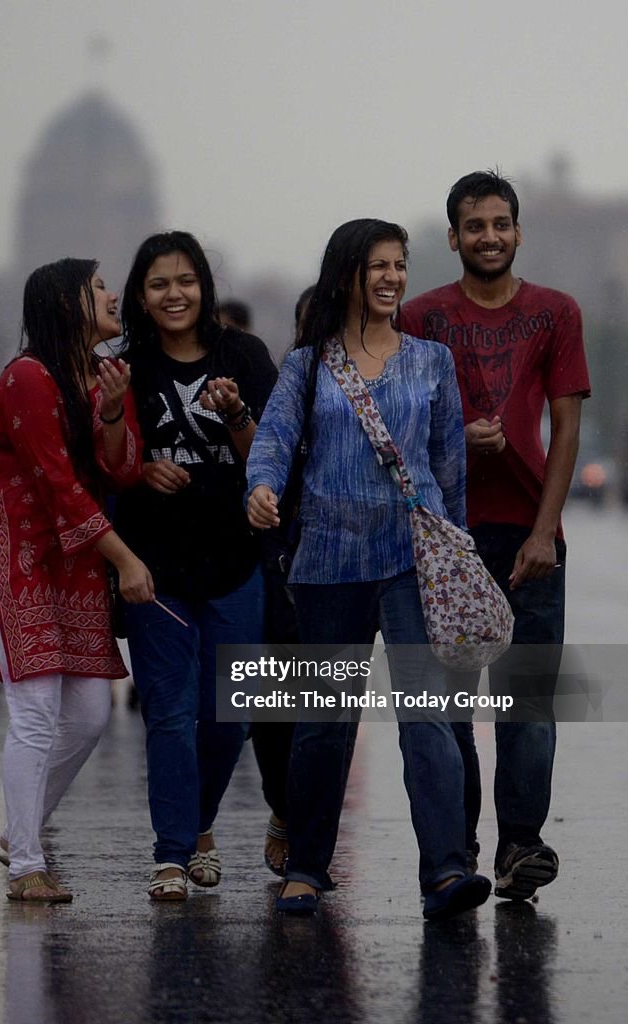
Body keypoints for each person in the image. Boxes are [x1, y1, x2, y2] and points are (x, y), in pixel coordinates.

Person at [247, 218, 491, 918]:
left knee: (427, 717)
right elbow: (273, 440)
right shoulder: (307, 366)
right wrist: (260, 488)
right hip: (326, 561)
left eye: (398, 265)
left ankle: (445, 871)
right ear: (346, 275)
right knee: (324, 722)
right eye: (376, 266)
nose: (390, 278)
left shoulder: (430, 361)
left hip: (413, 563)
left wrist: (457, 552)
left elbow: (448, 467)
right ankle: (307, 867)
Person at [400, 170, 590, 900]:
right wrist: (455, 441)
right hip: (447, 538)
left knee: (528, 704)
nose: (488, 236)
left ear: (517, 232)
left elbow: (565, 424)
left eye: (499, 224)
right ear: (451, 237)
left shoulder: (556, 312)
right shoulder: (420, 318)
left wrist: (546, 531)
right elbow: (402, 423)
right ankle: (458, 848)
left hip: (528, 532)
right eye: (473, 225)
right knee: (448, 707)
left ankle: (520, 845)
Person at [0, 259, 155, 902]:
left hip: (74, 560)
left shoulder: (94, 380)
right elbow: (59, 486)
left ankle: (23, 829)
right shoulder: (26, 378)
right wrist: (126, 559)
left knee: (90, 714)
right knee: (36, 712)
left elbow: (123, 471)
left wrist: (117, 408)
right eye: (98, 287)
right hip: (21, 555)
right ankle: (26, 867)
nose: (113, 294)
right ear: (66, 303)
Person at [116, 230, 278, 900]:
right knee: (169, 712)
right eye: (158, 284)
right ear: (141, 296)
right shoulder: (126, 366)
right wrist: (138, 467)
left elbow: (269, 454)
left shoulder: (244, 355)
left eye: (184, 281)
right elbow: (104, 458)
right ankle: (172, 856)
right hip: (155, 566)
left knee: (230, 717)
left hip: (235, 561)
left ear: (203, 287)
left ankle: (199, 822)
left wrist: (235, 410)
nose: (173, 294)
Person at [251, 282, 316, 877]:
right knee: (275, 709)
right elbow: (261, 455)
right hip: (277, 560)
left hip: (348, 562)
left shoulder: (390, 381)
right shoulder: (285, 387)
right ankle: (281, 809)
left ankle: (309, 840)